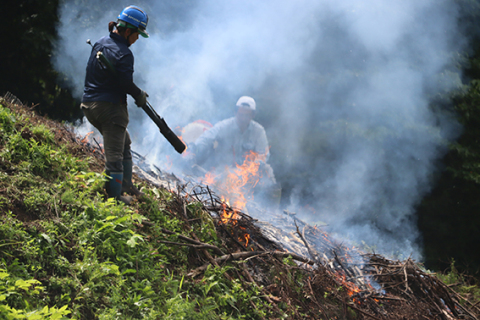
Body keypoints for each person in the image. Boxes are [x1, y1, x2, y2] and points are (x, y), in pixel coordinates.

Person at [80, 5, 149, 204]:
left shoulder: (100, 43)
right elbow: (125, 83)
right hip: (109, 109)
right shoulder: (125, 54)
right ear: (128, 31)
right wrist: (139, 95)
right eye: (137, 34)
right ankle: (114, 197)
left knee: (124, 142)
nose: (137, 39)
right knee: (114, 156)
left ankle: (126, 186)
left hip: (88, 105)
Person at [187, 96, 280, 208]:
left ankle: (272, 209)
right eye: (240, 114)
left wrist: (251, 168)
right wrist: (195, 148)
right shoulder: (225, 125)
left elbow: (264, 154)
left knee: (269, 173)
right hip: (224, 170)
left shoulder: (258, 131)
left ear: (253, 115)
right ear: (236, 112)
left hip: (248, 173)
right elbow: (207, 137)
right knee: (219, 183)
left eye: (247, 115)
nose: (243, 118)